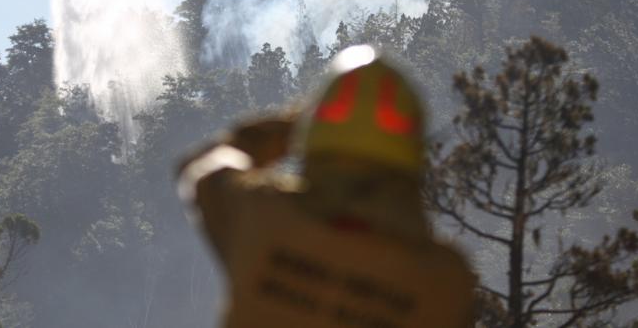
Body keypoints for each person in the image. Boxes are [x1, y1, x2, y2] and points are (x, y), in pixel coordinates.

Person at [177, 45, 476, 327]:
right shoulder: (445, 282)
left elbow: (202, 168)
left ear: (314, 139)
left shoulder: (261, 216)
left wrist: (283, 131)